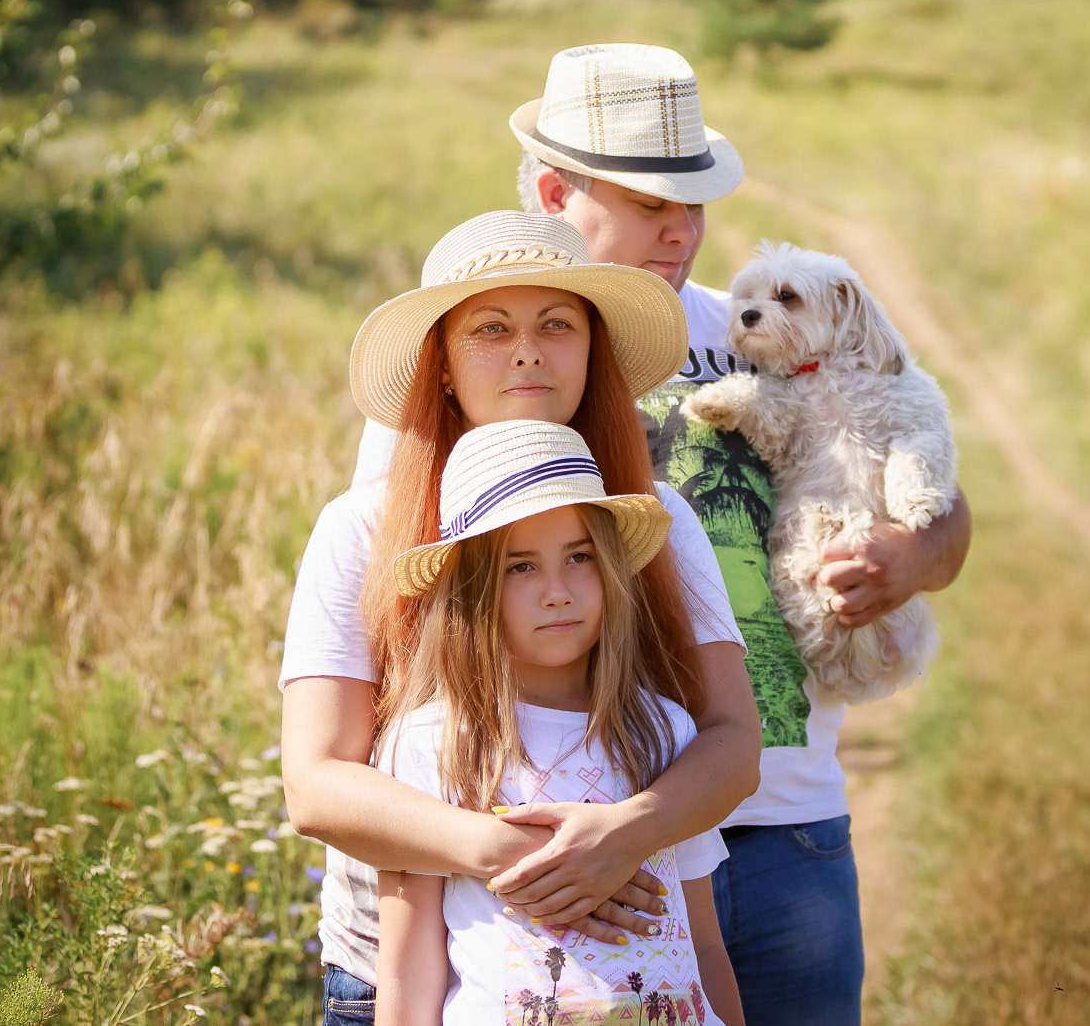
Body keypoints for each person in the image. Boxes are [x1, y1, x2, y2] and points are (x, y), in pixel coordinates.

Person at [353, 44, 972, 1025]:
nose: (684, 230)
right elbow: (394, 589)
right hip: (561, 834)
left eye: (694, 204)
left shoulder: (760, 327)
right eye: (651, 205)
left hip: (781, 819)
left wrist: (911, 556)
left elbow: (927, 476)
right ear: (556, 191)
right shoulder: (471, 366)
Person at [282, 211, 763, 1025]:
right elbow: (316, 784)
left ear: (591, 349)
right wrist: (516, 854)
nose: (529, 350)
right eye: (491, 328)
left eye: (558, 325)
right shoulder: (363, 527)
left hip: (636, 973)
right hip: (398, 976)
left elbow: (731, 738)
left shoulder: (654, 517)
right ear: (440, 364)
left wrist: (626, 834)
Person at [370, 420, 745, 1026]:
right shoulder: (431, 745)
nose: (557, 592)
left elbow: (702, 941)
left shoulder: (666, 733)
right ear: (471, 588)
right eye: (520, 567)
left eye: (579, 557)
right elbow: (408, 970)